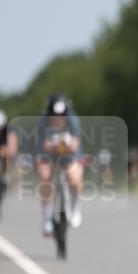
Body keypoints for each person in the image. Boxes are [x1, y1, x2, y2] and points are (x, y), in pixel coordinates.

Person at [37, 94, 84, 235]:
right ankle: (47, 216)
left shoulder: (73, 120)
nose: (57, 119)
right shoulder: (43, 121)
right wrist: (56, 147)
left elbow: (74, 145)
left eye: (61, 116)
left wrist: (64, 146)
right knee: (44, 176)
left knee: (74, 177)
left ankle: (75, 207)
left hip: (70, 154)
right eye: (54, 116)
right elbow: (44, 145)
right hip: (49, 154)